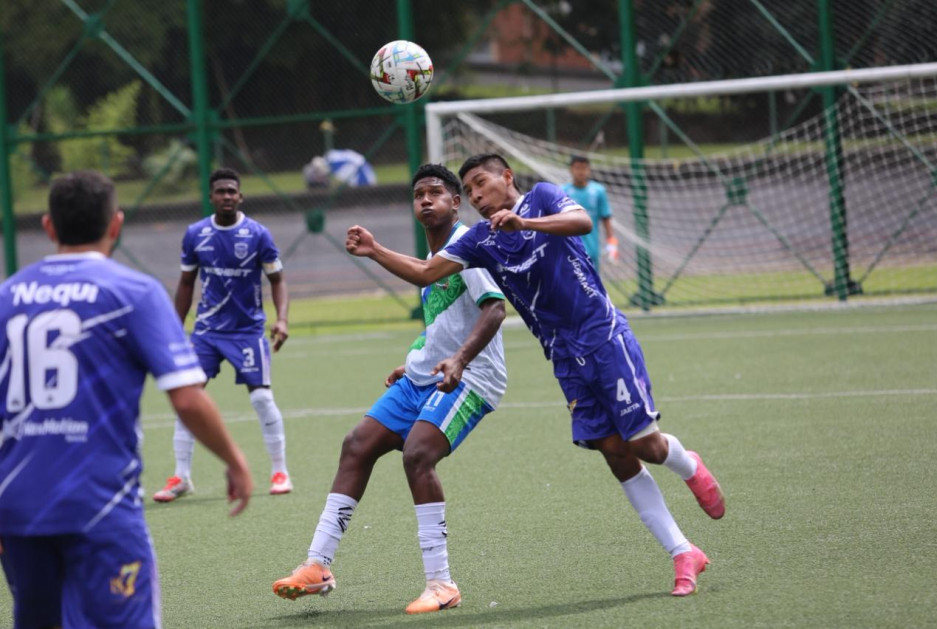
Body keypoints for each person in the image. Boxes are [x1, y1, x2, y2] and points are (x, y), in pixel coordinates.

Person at [345, 153, 725, 597]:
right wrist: (375, 250)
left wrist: (526, 225)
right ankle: (683, 552)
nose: (476, 195)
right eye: (468, 191)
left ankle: (688, 464)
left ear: (506, 177)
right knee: (614, 452)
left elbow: (581, 222)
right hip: (564, 358)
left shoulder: (542, 198)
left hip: (602, 337)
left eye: (481, 183)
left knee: (644, 444)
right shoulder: (481, 239)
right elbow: (427, 271)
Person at [0, 171, 252, 628]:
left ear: (48, 227)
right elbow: (188, 400)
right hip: (99, 505)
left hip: (17, 509)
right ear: (115, 225)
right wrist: (234, 460)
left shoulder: (7, 297)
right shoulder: (132, 292)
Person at [272, 164, 507, 614]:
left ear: (455, 202)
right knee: (357, 444)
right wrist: (417, 357)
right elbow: (440, 312)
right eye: (418, 193)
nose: (425, 200)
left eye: (435, 192)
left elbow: (494, 309)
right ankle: (317, 565)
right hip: (425, 374)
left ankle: (442, 584)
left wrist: (458, 359)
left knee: (418, 453)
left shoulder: (467, 245)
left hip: (471, 377)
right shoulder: (433, 251)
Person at [153, 167, 293, 501]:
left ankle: (280, 471)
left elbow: (278, 281)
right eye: (221, 191)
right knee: (188, 399)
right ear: (211, 197)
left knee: (261, 398)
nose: (227, 196)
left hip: (247, 332)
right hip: (206, 333)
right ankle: (181, 477)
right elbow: (186, 283)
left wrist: (282, 319)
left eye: (232, 191)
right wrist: (175, 327)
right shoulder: (195, 234)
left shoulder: (258, 234)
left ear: (240, 196)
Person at [561, 154, 616, 269]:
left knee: (592, 284)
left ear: (589, 170)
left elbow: (606, 218)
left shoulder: (598, 191)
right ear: (570, 170)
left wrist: (612, 244)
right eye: (577, 168)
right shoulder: (562, 192)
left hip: (592, 249)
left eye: (584, 168)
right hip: (569, 250)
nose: (581, 172)